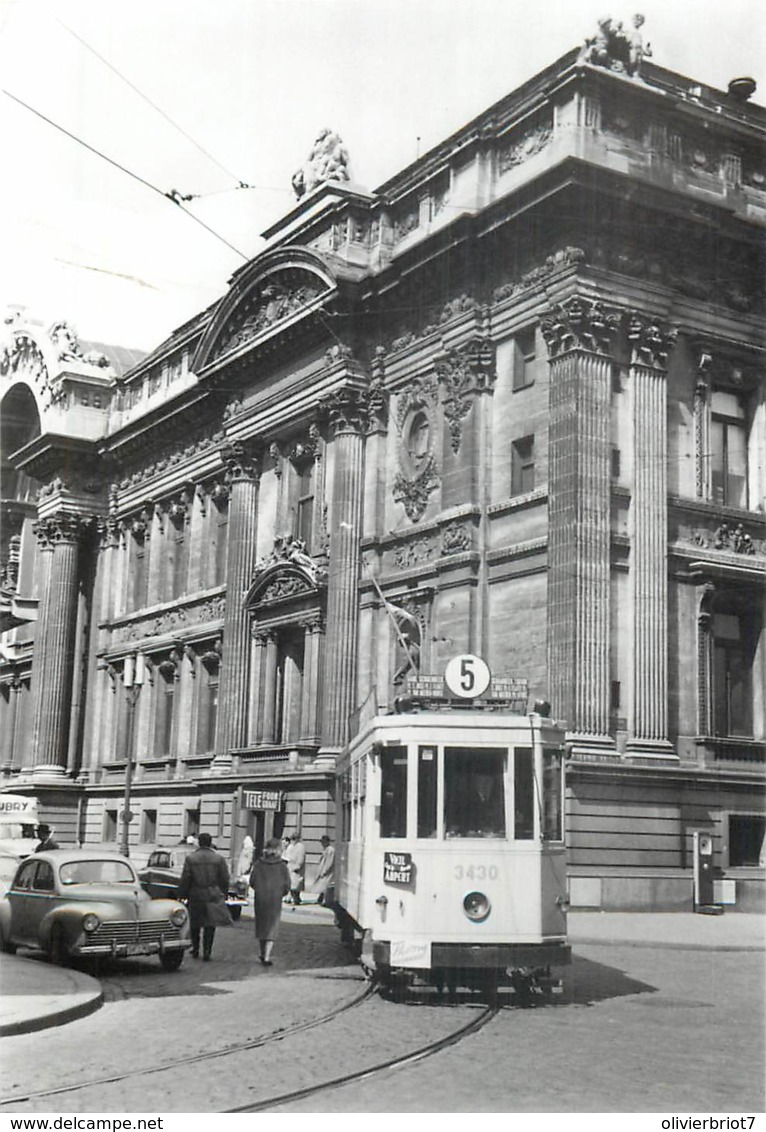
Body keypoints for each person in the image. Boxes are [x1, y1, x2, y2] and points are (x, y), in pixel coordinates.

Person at [177, 832, 230, 961]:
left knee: (195, 924)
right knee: (210, 925)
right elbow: (225, 878)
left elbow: (186, 878)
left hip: (196, 894)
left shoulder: (191, 858)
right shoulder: (218, 859)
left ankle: (195, 949)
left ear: (199, 843)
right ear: (210, 843)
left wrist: (182, 894)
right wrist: (223, 892)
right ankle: (207, 951)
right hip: (213, 894)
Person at [249, 838, 291, 965]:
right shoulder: (282, 866)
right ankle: (267, 956)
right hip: (275, 899)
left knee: (262, 925)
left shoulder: (258, 864)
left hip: (261, 898)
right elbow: (287, 885)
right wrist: (280, 892)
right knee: (272, 926)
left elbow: (252, 881)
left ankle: (262, 953)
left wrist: (260, 890)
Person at [282, 832, 306, 905]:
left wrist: (298, 866)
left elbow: (301, 858)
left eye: (294, 839)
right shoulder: (293, 846)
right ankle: (295, 899)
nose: (292, 840)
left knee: (296, 885)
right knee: (292, 885)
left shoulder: (300, 847)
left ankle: (296, 899)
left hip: (296, 868)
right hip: (291, 867)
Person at [313, 836, 335, 905]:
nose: (322, 844)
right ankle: (320, 899)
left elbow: (329, 862)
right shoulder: (326, 849)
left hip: (327, 872)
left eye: (323, 842)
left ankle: (325, 901)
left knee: (325, 887)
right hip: (324, 871)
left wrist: (324, 871)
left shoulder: (330, 850)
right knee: (322, 886)